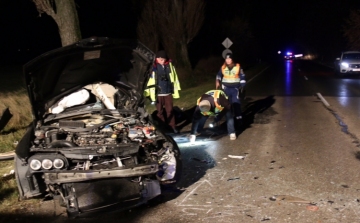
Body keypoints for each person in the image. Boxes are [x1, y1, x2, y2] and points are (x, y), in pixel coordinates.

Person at [145, 50, 181, 133]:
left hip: (168, 92)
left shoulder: (169, 65)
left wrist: (173, 89)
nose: (162, 61)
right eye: (160, 59)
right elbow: (149, 81)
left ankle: (172, 126)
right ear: (156, 59)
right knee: (159, 112)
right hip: (158, 93)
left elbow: (174, 78)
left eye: (163, 59)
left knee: (170, 111)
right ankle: (163, 128)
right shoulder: (152, 67)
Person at [215, 53, 246, 129]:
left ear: (232, 59)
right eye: (226, 59)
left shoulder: (238, 67)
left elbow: (242, 77)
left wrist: (242, 86)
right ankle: (228, 120)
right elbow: (219, 75)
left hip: (235, 89)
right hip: (226, 89)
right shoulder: (223, 67)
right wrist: (217, 80)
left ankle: (239, 120)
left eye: (229, 59)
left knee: (236, 104)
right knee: (226, 105)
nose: (228, 60)